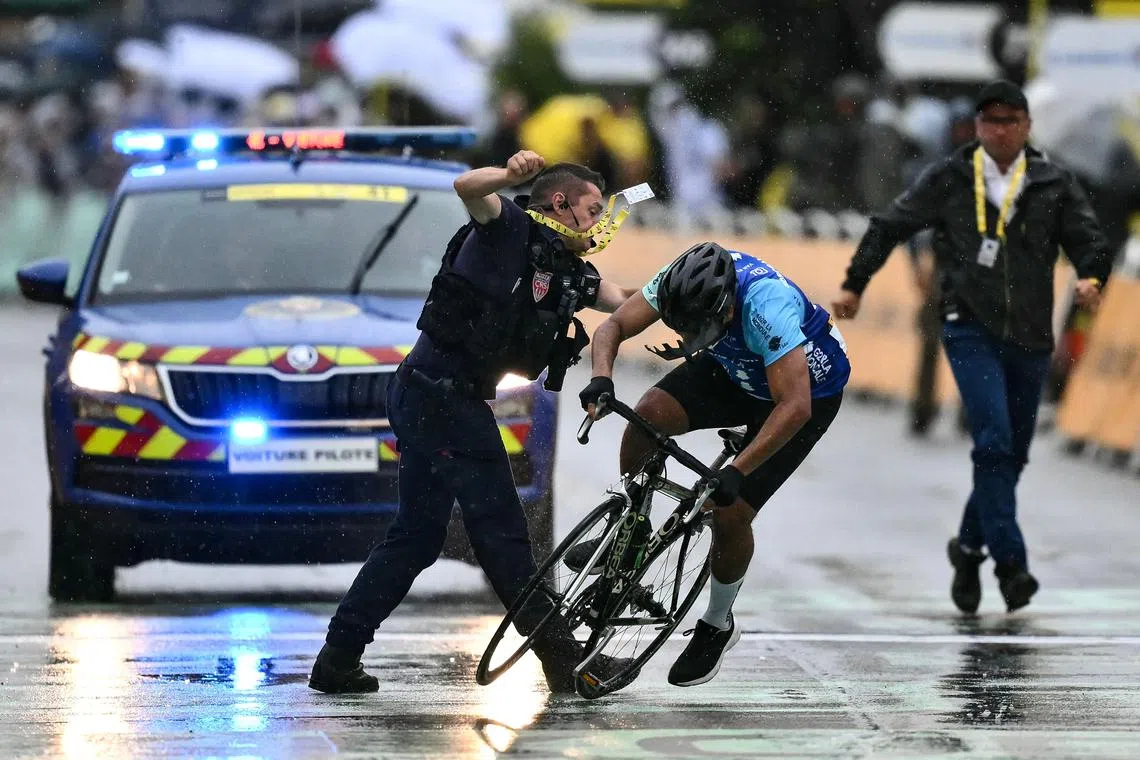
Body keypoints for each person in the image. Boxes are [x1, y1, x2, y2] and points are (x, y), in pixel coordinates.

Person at [309, 151, 640, 695]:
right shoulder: (505, 228)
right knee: (506, 539)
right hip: (440, 398)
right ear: (561, 204)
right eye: (594, 208)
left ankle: (337, 657)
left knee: (416, 537)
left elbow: (628, 302)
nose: (602, 222)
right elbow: (466, 186)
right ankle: (567, 663)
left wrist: (698, 305)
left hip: (436, 398)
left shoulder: (571, 271)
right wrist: (511, 177)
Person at [831, 80, 1113, 614]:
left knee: (1012, 455)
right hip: (968, 326)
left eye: (1010, 120)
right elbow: (890, 224)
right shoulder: (950, 177)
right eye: (990, 120)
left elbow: (1090, 241)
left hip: (1030, 335)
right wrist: (854, 282)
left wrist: (1091, 277)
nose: (999, 130)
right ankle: (1011, 563)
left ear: (1027, 126)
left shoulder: (1052, 182)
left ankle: (966, 549)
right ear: (976, 127)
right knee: (993, 441)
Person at [576, 242, 850, 687]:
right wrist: (601, 378)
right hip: (734, 368)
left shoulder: (767, 305)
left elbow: (794, 406)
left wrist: (738, 471)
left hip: (800, 393)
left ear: (724, 306)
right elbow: (611, 327)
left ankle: (717, 624)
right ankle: (631, 531)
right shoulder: (677, 282)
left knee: (731, 511)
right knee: (648, 415)